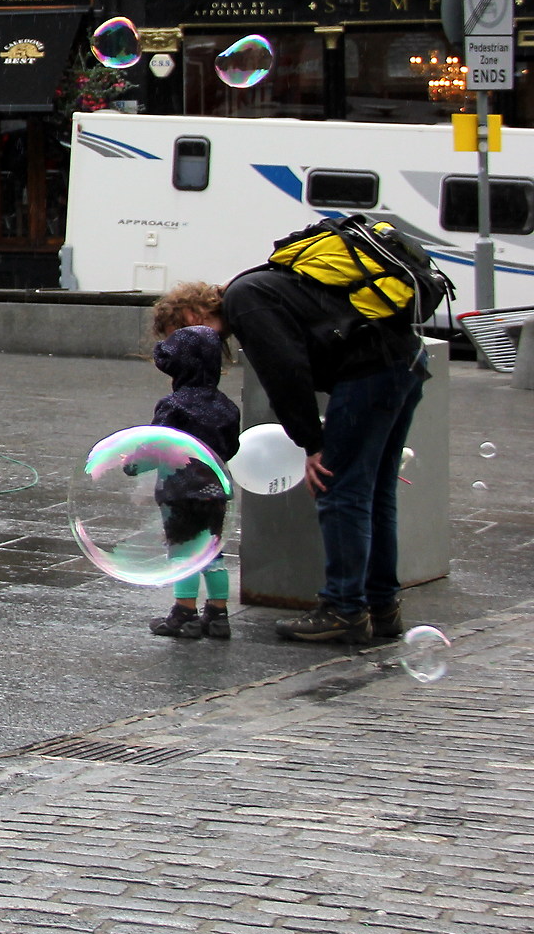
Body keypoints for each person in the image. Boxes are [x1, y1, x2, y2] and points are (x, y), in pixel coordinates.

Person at [214, 228, 429, 647]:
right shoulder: (266, 284)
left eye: (185, 331)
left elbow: (285, 371)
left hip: (369, 371)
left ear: (193, 315)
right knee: (376, 490)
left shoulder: (244, 299)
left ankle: (344, 610)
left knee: (340, 490)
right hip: (403, 362)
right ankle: (382, 606)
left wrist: (312, 444)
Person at [143, 324, 242, 641]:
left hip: (179, 492)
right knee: (213, 552)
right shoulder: (226, 405)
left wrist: (133, 465)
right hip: (215, 490)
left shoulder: (172, 405)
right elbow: (230, 448)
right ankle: (218, 615)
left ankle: (185, 614)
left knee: (183, 552)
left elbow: (157, 446)